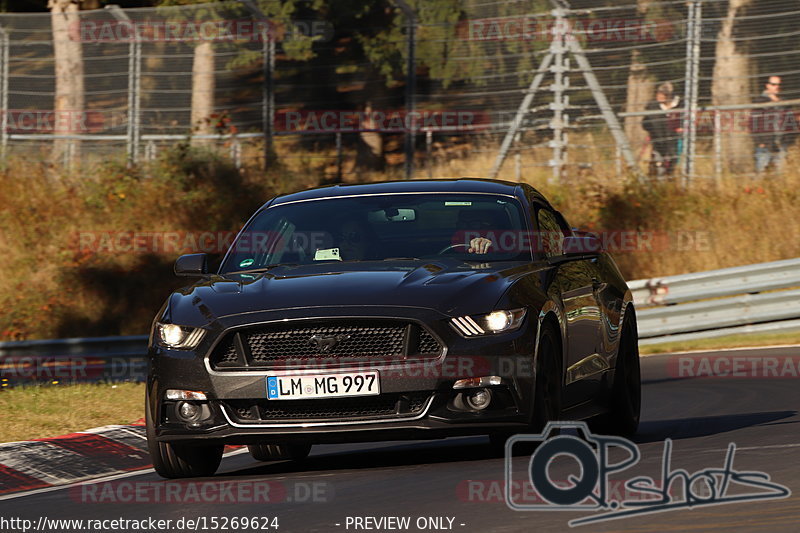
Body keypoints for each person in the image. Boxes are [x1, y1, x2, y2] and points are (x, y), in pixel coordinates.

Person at [751, 75, 794, 174]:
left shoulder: (785, 102)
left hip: (781, 143)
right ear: (767, 86)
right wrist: (759, 142)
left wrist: (788, 140)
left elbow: (791, 122)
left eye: (779, 84)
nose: (777, 87)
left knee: (781, 174)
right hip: (765, 143)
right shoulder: (759, 101)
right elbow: (753, 123)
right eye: (774, 84)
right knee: (761, 173)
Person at [642, 82, 682, 177]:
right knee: (658, 164)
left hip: (674, 140)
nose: (658, 96)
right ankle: (658, 182)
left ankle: (670, 180)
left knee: (672, 162)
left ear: (668, 96)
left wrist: (681, 128)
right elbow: (645, 123)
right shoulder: (652, 107)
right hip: (658, 141)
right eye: (658, 93)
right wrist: (651, 129)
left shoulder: (680, 105)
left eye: (662, 94)